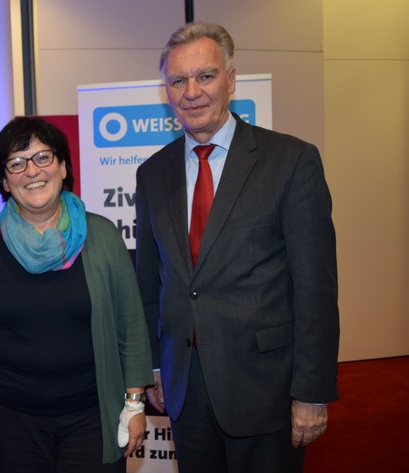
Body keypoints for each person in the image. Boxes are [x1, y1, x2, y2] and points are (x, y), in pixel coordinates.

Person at [135, 22, 340, 473]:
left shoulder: (291, 161)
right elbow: (150, 281)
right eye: (178, 80)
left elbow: (315, 289)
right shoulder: (152, 174)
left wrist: (311, 391)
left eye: (205, 76)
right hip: (184, 388)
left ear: (231, 79)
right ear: (166, 90)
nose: (192, 91)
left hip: (267, 388)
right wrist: (154, 367)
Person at [0, 117, 153, 472]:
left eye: (43, 158)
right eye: (16, 163)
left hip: (92, 415)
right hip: (12, 420)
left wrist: (134, 405)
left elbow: (131, 326)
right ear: (4, 180)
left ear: (63, 167)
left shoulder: (103, 236)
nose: (31, 171)